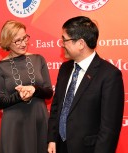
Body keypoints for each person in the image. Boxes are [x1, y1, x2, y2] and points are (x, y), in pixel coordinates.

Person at [47, 16, 124, 153]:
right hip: (60, 146)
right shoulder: (65, 69)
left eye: (65, 39)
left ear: (81, 43)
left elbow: (109, 129)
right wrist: (52, 138)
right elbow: (56, 106)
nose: (62, 44)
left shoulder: (109, 75)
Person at [0, 20, 53, 153]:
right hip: (15, 124)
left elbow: (49, 92)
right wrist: (19, 96)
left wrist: (34, 90)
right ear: (7, 42)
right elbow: (0, 102)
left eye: (25, 37)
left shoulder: (38, 59)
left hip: (39, 119)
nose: (24, 43)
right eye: (18, 40)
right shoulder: (0, 67)